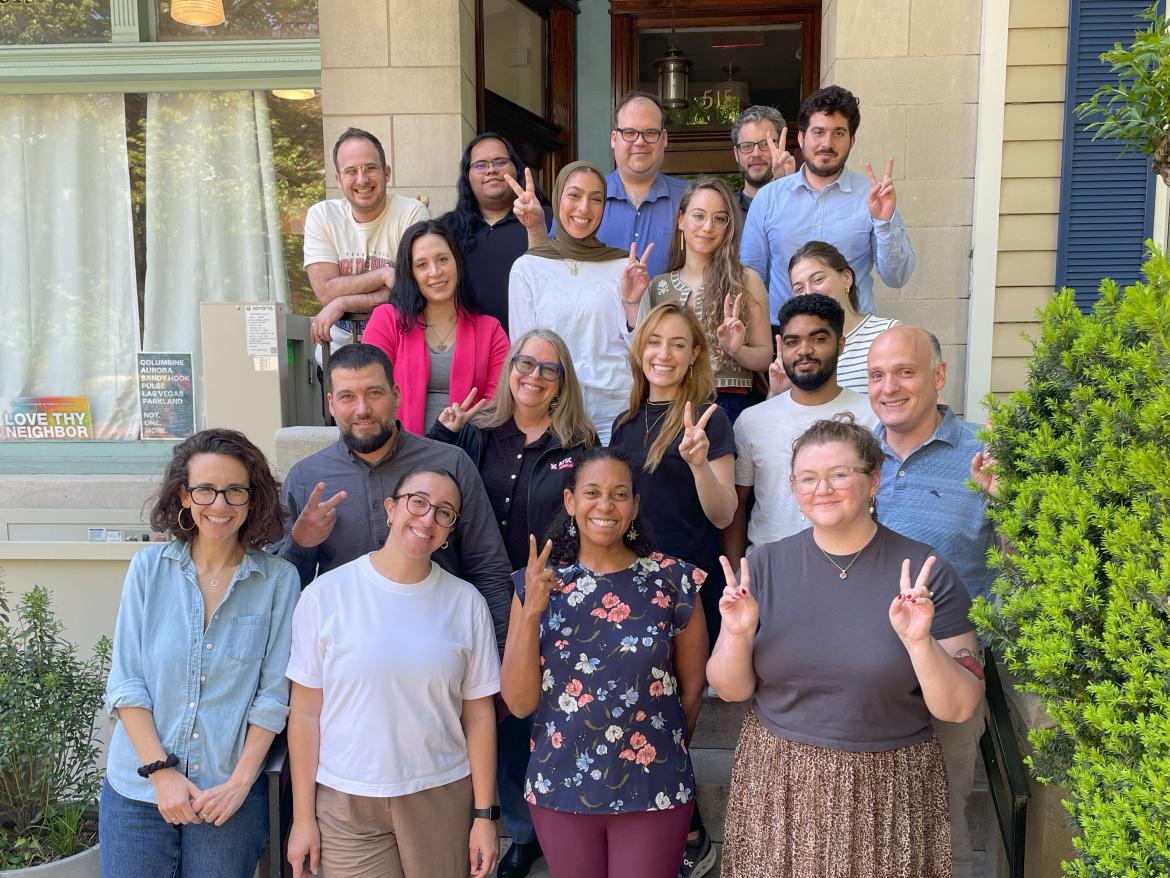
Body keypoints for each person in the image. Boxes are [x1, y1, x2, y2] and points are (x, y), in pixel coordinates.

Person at [708, 416, 985, 878]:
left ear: (873, 480)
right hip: (781, 782)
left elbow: (959, 708)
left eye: (840, 474)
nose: (824, 489)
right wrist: (737, 632)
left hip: (890, 789)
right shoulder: (764, 567)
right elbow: (732, 690)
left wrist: (919, 643)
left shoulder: (926, 574)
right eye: (808, 478)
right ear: (794, 487)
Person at [426, 328, 597, 878]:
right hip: (477, 591)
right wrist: (443, 431)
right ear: (510, 368)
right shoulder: (478, 433)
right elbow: (429, 482)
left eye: (550, 369)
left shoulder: (579, 443)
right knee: (496, 712)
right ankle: (516, 829)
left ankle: (549, 824)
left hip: (553, 592)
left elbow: (593, 516)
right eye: (526, 363)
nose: (534, 375)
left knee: (544, 712)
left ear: (562, 383)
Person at [499, 447, 709, 878]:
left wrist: (660, 747)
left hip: (656, 784)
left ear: (634, 506)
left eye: (619, 494)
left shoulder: (674, 580)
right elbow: (518, 703)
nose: (605, 505)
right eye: (592, 492)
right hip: (561, 785)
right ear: (570, 501)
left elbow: (691, 688)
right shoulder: (537, 582)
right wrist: (533, 610)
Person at [100, 429, 300, 878]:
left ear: (254, 498)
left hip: (227, 792)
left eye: (235, 490)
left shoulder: (278, 581)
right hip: (139, 787)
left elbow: (272, 698)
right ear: (184, 497)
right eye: (205, 490)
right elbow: (127, 683)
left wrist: (240, 784)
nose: (220, 504)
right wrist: (161, 773)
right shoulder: (148, 569)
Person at [285, 466, 501, 878]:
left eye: (444, 512)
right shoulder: (324, 596)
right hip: (345, 798)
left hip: (439, 792)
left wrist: (485, 816)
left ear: (450, 530)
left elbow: (479, 715)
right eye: (417, 502)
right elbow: (305, 714)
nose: (427, 519)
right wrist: (303, 819)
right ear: (390, 508)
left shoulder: (466, 602)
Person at [271, 342, 513, 652]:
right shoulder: (306, 479)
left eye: (374, 393)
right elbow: (283, 589)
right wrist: (300, 544)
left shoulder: (451, 464)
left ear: (395, 394)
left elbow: (488, 567)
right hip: (347, 655)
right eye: (347, 397)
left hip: (443, 647)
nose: (362, 409)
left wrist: (501, 655)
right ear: (330, 404)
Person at [607, 303, 733, 878]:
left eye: (678, 343)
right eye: (654, 341)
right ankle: (672, 829)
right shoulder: (625, 423)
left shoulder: (710, 418)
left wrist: (701, 464)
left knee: (677, 714)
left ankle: (689, 833)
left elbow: (724, 509)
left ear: (695, 354)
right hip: (634, 591)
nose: (664, 353)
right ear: (640, 349)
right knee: (643, 716)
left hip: (686, 590)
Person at [867, 325, 998, 878]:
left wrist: (1008, 503)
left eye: (905, 372)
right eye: (877, 375)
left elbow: (1025, 560)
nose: (889, 387)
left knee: (939, 826)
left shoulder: (983, 453)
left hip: (949, 664)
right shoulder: (854, 454)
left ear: (939, 376)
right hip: (865, 672)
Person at [740, 85, 915, 324]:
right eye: (819, 132)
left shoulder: (873, 196)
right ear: (802, 138)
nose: (827, 143)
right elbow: (751, 280)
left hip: (854, 337)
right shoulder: (769, 198)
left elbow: (897, 278)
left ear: (852, 140)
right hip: (787, 337)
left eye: (839, 133)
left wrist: (885, 223)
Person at [509, 160, 654, 445]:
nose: (584, 208)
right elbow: (524, 351)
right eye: (574, 195)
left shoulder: (624, 266)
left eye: (596, 199)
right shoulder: (528, 268)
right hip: (552, 410)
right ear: (559, 197)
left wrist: (632, 302)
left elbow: (642, 351)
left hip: (615, 410)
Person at [726, 294, 879, 562]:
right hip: (768, 571)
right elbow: (736, 507)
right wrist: (739, 576)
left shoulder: (873, 416)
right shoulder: (752, 421)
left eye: (818, 339)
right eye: (792, 341)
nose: (804, 350)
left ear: (840, 344)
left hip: (852, 568)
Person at [361, 220, 509, 435]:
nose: (435, 272)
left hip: (470, 451)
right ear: (410, 273)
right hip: (399, 452)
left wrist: (470, 423)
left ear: (457, 262)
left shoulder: (490, 329)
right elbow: (370, 387)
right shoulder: (387, 320)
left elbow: (500, 399)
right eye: (421, 265)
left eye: (442, 259)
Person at [649, 178, 772, 423]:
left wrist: (736, 350)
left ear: (729, 226)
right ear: (681, 220)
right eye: (698, 216)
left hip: (729, 405)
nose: (708, 227)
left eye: (719, 218)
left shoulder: (746, 280)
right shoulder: (659, 286)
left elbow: (764, 357)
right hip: (669, 403)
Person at [303, 127, 430, 350]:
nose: (362, 180)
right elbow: (325, 291)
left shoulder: (411, 213)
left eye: (370, 168)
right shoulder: (322, 216)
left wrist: (343, 302)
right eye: (351, 171)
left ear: (387, 172)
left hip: (397, 353)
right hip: (337, 357)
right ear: (338, 179)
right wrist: (383, 275)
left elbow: (412, 289)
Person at [440, 133, 552, 333]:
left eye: (500, 162)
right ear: (467, 176)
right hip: (469, 348)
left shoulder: (547, 220)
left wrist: (537, 225)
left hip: (530, 349)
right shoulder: (446, 230)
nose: (491, 170)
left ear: (515, 169)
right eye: (480, 165)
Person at [596, 91, 689, 279]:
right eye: (630, 132)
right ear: (614, 138)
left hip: (671, 309)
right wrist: (536, 228)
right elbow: (554, 267)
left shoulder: (690, 200)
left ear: (664, 138)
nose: (640, 141)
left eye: (650, 133)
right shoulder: (585, 199)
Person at [788, 240, 900, 393]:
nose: (808, 292)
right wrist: (777, 392)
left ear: (847, 278)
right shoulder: (797, 351)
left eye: (818, 280)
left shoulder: (889, 333)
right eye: (799, 288)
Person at [729, 105, 795, 216]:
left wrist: (785, 186)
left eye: (765, 144)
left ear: (780, 146)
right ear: (736, 153)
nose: (756, 154)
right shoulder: (725, 210)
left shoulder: (802, 205)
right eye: (747, 146)